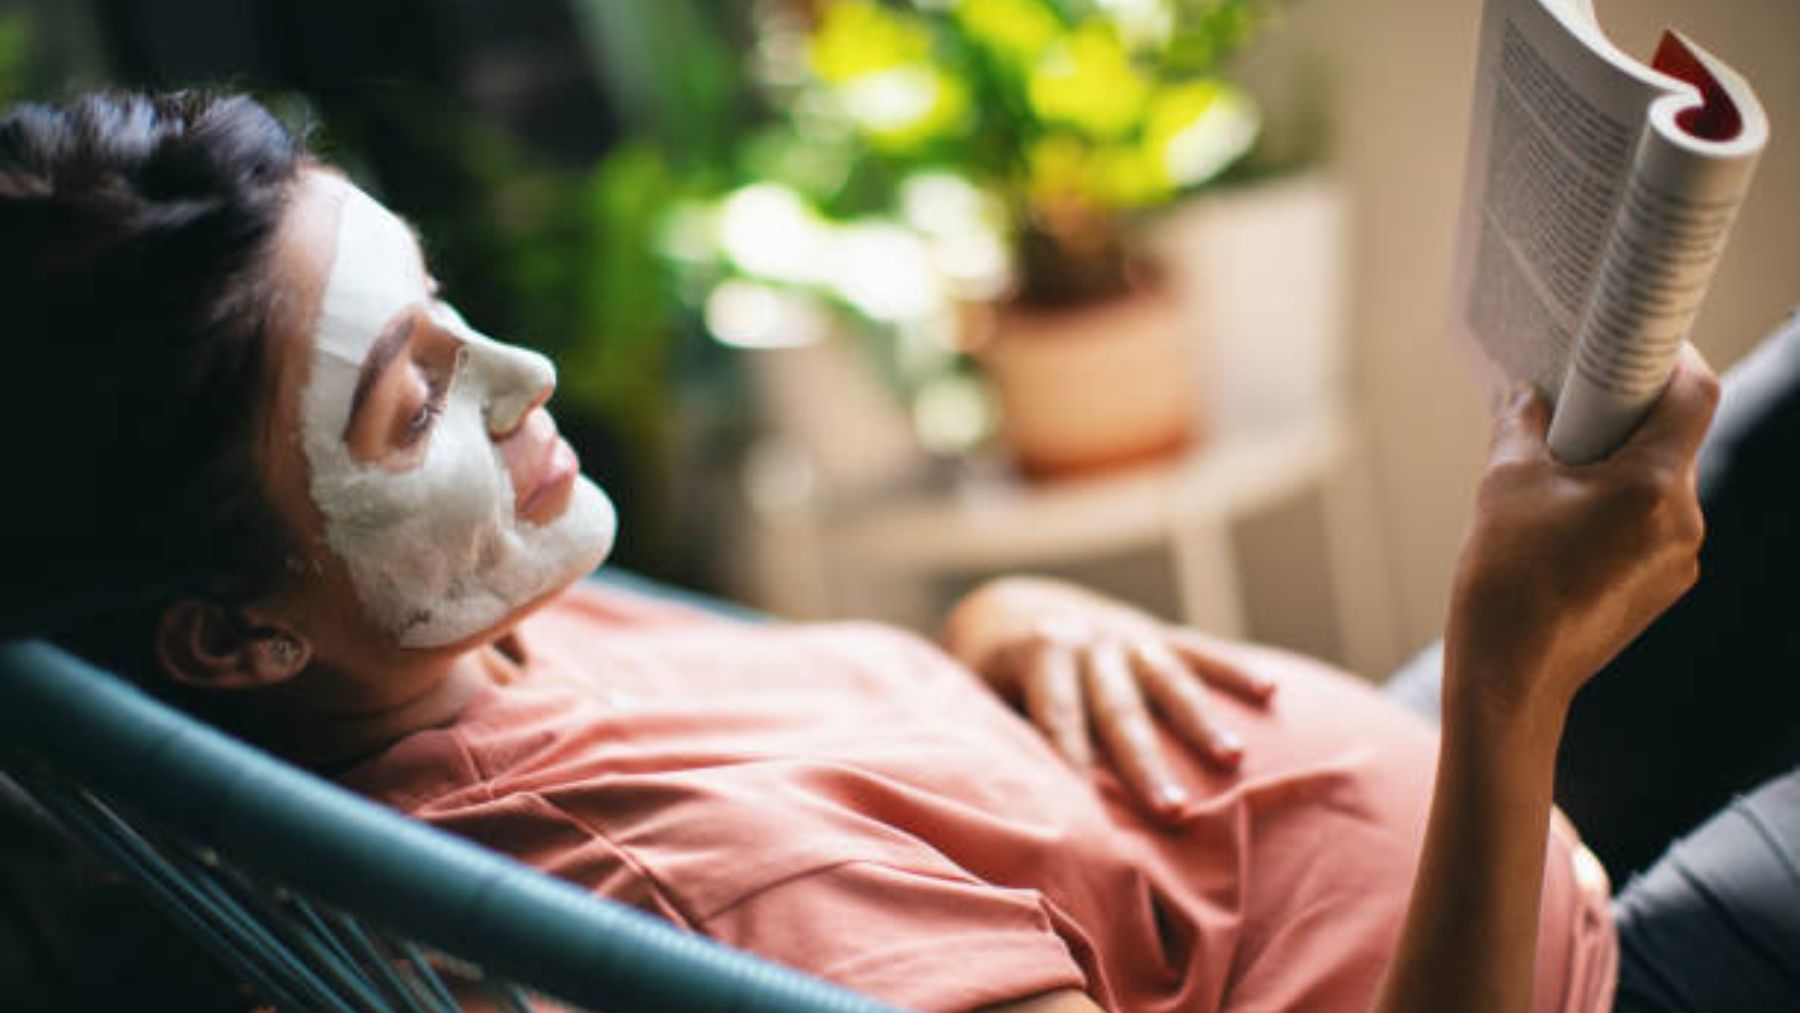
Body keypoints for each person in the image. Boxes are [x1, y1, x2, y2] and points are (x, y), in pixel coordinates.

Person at [0, 90, 1772, 1013]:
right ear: (231, 638)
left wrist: (1003, 624)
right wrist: (1507, 677)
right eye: (410, 402)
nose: (526, 381)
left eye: (447, 305)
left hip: (1393, 852)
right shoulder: (711, 913)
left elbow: (843, 758)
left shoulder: (450, 629)